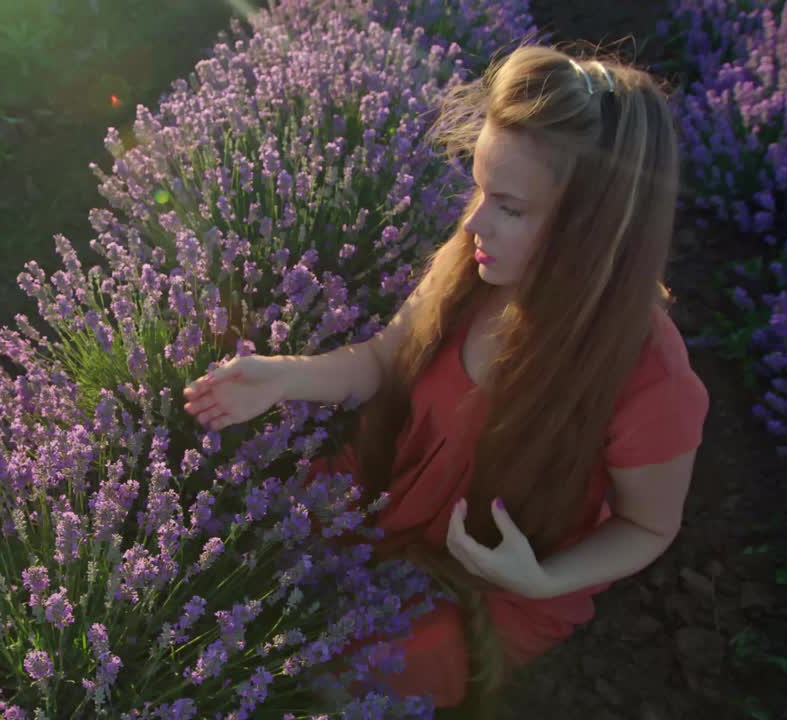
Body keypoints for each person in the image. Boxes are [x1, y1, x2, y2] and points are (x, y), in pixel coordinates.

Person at [182, 44, 710, 716]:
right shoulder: (476, 267)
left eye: (510, 206)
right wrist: (282, 379)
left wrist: (543, 577)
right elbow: (382, 360)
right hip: (385, 491)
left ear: (595, 231)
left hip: (497, 574)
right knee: (234, 571)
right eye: (479, 187)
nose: (472, 222)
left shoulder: (649, 378)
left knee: (341, 679)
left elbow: (648, 526)